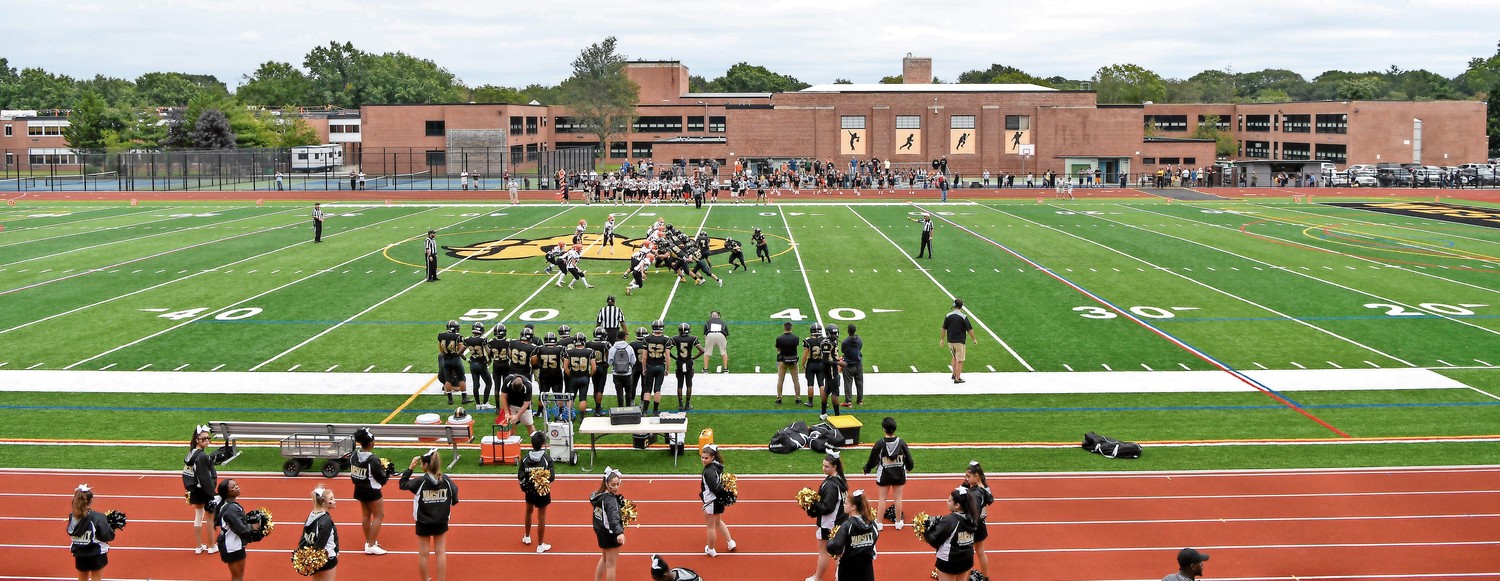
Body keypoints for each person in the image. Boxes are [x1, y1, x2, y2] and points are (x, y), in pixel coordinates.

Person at [401, 449, 458, 581]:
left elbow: (403, 484)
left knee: (423, 554)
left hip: (423, 521)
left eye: (421, 464)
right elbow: (454, 499)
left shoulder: (420, 482)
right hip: (441, 521)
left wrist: (410, 469)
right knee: (440, 552)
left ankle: (425, 579)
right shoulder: (447, 481)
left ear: (426, 466)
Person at [864, 417, 913, 530]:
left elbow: (873, 459)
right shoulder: (901, 443)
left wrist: (867, 469)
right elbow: (909, 459)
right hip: (899, 473)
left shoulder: (880, 444)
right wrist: (909, 467)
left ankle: (879, 523)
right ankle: (898, 522)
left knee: (882, 498)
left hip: (884, 474)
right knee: (898, 498)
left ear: (883, 429)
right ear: (894, 429)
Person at [805, 450, 847, 581]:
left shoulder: (831, 485)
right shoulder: (840, 479)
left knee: (824, 552)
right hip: (840, 521)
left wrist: (812, 505)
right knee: (838, 554)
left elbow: (827, 507)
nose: (823, 468)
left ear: (835, 467)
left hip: (829, 524)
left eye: (827, 466)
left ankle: (818, 578)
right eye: (823, 465)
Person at [923, 487, 979, 581]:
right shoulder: (973, 518)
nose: (947, 502)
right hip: (967, 559)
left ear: (957, 505)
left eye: (949, 501)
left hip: (949, 561)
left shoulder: (950, 520)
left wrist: (925, 531)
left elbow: (934, 540)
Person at [349, 428, 390, 555]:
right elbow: (381, 478)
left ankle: (369, 541)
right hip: (372, 490)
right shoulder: (372, 459)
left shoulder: (354, 455)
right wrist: (387, 471)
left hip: (359, 489)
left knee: (366, 515)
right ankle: (371, 545)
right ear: (371, 443)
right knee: (379, 515)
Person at [826, 489, 878, 581]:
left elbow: (834, 547)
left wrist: (830, 541)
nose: (844, 505)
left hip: (848, 569)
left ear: (853, 507)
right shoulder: (873, 524)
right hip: (866, 569)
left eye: (846, 503)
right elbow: (873, 545)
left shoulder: (847, 526)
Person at [215, 479, 261, 581]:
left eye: (236, 485)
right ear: (228, 493)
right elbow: (241, 529)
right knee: (237, 577)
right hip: (232, 546)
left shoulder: (230, 505)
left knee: (239, 576)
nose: (237, 487)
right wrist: (252, 527)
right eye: (233, 487)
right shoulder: (231, 508)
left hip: (235, 544)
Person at [183, 425, 219, 555]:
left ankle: (198, 546)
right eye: (204, 439)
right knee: (210, 518)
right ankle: (212, 546)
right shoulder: (202, 456)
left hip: (195, 490)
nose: (207, 441)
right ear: (197, 440)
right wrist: (212, 493)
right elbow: (205, 477)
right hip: (205, 490)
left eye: (208, 438)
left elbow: (187, 474)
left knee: (198, 516)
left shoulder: (190, 454)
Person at [518, 431, 556, 553]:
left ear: (532, 443)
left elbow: (520, 475)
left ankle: (527, 536)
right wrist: (541, 481)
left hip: (530, 491)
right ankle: (540, 545)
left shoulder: (525, 459)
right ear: (543, 444)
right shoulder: (547, 459)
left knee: (528, 511)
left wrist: (530, 480)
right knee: (541, 517)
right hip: (542, 491)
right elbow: (552, 477)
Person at [67, 484, 114, 581]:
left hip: (80, 553)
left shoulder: (72, 516)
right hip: (96, 553)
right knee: (96, 579)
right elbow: (107, 536)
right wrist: (112, 529)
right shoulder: (98, 517)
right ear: (91, 501)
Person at [699, 444, 737, 556]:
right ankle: (730, 542)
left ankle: (711, 549)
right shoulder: (717, 466)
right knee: (718, 522)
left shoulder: (709, 471)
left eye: (706, 458)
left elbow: (714, 487)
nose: (704, 460)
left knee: (710, 526)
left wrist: (722, 494)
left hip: (712, 501)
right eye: (702, 457)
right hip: (718, 500)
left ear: (712, 457)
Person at [592, 468, 627, 581]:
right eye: (613, 484)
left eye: (618, 484)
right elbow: (613, 518)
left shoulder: (599, 495)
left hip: (601, 532)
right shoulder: (610, 501)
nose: (616, 487)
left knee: (604, 558)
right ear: (606, 484)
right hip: (610, 533)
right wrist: (619, 533)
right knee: (611, 565)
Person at [298, 486, 340, 580]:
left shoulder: (311, 515)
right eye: (331, 499)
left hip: (313, 558)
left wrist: (307, 557)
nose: (335, 500)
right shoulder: (326, 521)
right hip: (326, 558)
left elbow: (304, 538)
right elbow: (321, 544)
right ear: (324, 504)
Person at [965, 461, 996, 579]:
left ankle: (965, 577)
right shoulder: (985, 487)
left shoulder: (975, 494)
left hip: (973, 526)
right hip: (982, 525)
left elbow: (973, 512)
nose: (966, 479)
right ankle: (986, 577)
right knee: (980, 552)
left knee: (967, 554)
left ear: (976, 476)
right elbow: (990, 500)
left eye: (968, 476)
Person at [942, 299, 978, 384]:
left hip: (950, 341)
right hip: (959, 341)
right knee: (960, 360)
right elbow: (969, 330)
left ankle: (954, 374)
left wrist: (942, 339)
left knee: (954, 357)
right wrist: (974, 339)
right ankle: (957, 378)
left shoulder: (948, 315)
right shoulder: (963, 316)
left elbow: (943, 328)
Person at [564, 332, 597, 418]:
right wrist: (589, 375)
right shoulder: (590, 351)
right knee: (583, 398)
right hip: (584, 377)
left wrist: (570, 375)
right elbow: (594, 368)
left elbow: (565, 368)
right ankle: (582, 417)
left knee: (571, 397)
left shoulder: (568, 351)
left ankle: (568, 416)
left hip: (573, 377)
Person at [672, 323, 704, 411]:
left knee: (680, 384)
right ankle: (687, 404)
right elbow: (702, 350)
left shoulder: (675, 338)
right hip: (689, 362)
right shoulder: (693, 339)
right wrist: (693, 357)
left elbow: (667, 350)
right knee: (689, 384)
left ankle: (680, 404)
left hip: (679, 362)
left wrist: (674, 357)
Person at [642, 320, 672, 414]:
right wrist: (667, 369)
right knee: (657, 389)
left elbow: (644, 357)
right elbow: (667, 357)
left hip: (650, 366)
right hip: (660, 366)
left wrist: (644, 368)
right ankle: (655, 410)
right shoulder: (666, 339)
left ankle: (645, 411)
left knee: (647, 389)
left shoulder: (647, 339)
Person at [774, 322, 806, 406]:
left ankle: (779, 398)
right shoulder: (796, 338)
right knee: (796, 380)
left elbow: (777, 349)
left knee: (780, 380)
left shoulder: (779, 338)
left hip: (783, 361)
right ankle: (798, 398)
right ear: (791, 328)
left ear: (784, 328)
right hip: (793, 361)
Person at [438, 320, 469, 406]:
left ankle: (450, 399)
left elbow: (440, 349)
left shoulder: (441, 336)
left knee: (448, 380)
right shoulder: (458, 336)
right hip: (455, 359)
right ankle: (464, 398)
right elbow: (461, 349)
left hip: (446, 359)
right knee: (461, 378)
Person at [802, 324, 829, 419]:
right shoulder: (824, 340)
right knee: (821, 384)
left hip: (811, 364)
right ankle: (824, 402)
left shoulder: (807, 341)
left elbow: (805, 354)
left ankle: (810, 402)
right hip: (821, 363)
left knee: (810, 384)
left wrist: (803, 364)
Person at [465, 322, 494, 410]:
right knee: (489, 383)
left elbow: (460, 352)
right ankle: (485, 403)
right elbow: (488, 351)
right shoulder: (483, 339)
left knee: (475, 384)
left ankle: (478, 404)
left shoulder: (467, 339)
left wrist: (467, 360)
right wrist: (490, 359)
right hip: (481, 363)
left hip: (473, 364)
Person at [607, 331, 638, 408]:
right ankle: (628, 408)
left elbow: (610, 362)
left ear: (617, 337)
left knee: (619, 392)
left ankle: (620, 408)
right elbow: (633, 361)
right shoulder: (629, 348)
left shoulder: (612, 348)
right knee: (628, 392)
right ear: (625, 337)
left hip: (616, 374)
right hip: (627, 373)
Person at [841, 324, 864, 406]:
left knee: (848, 384)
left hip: (848, 365)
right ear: (855, 331)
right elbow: (860, 347)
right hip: (858, 364)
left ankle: (848, 402)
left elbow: (843, 350)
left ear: (848, 331)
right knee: (859, 382)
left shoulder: (845, 342)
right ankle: (860, 400)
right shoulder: (859, 340)